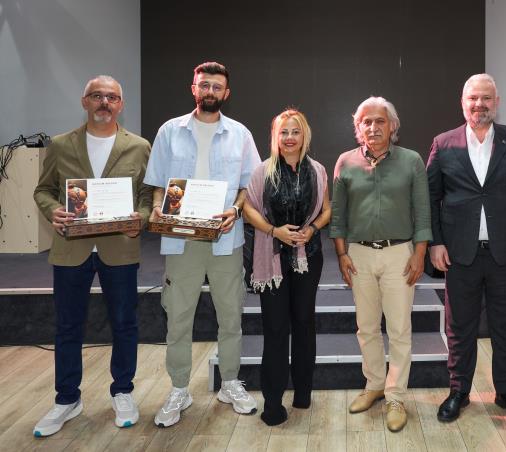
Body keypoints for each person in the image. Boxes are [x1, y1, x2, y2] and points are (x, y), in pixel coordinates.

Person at [32, 75, 152, 436]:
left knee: (124, 323)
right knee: (67, 326)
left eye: (112, 97)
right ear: (85, 102)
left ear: (121, 104)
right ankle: (67, 398)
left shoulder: (139, 146)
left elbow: (147, 196)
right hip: (72, 249)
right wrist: (53, 210)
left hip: (120, 248)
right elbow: (43, 190)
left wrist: (141, 218)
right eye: (97, 96)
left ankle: (123, 391)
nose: (105, 102)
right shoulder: (60, 144)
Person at [144, 62, 261, 427]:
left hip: (226, 239)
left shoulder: (240, 134)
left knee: (231, 315)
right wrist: (156, 209)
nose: (210, 91)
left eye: (217, 86)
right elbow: (158, 183)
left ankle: (230, 383)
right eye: (204, 85)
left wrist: (236, 210)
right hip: (181, 240)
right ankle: (179, 389)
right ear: (193, 88)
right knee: (178, 317)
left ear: (226, 93)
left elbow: (250, 185)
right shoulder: (170, 131)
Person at [427, 73, 506, 425]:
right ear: (463, 103)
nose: (479, 104)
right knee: (459, 327)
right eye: (473, 98)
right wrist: (435, 242)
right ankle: (459, 390)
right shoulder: (443, 143)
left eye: (486, 98)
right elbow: (430, 197)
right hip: (459, 253)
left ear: (497, 102)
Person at [330, 96, 431, 432]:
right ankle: (374, 384)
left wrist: (419, 253)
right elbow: (338, 216)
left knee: (399, 329)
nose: (373, 127)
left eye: (379, 121)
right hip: (358, 255)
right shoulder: (345, 162)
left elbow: (423, 212)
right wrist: (342, 254)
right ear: (358, 127)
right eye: (366, 122)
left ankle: (396, 396)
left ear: (393, 126)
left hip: (399, 255)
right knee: (367, 327)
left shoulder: (411, 161)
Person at [243, 109, 331, 426]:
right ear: (275, 137)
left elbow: (327, 209)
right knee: (276, 329)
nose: (290, 137)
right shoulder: (262, 171)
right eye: (284, 132)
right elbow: (248, 209)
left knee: (304, 323)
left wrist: (312, 229)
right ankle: (272, 403)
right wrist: (273, 231)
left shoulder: (318, 170)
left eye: (295, 131)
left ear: (304, 135)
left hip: (309, 257)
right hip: (273, 257)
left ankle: (303, 394)